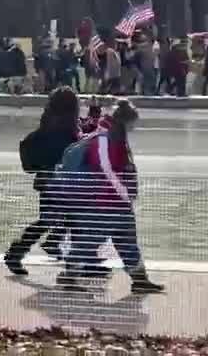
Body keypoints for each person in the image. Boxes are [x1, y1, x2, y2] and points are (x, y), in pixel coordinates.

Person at [58, 101, 164, 293]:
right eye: (132, 123)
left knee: (127, 242)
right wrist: (124, 192)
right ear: (124, 121)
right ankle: (68, 277)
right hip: (104, 202)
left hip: (119, 203)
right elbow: (106, 169)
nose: (133, 127)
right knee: (90, 240)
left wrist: (127, 195)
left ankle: (140, 280)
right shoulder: (104, 138)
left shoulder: (117, 136)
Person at [4, 87, 80, 275]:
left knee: (55, 219)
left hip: (48, 182)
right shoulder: (64, 129)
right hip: (59, 184)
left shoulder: (48, 123)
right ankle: (17, 253)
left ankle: (49, 244)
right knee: (67, 218)